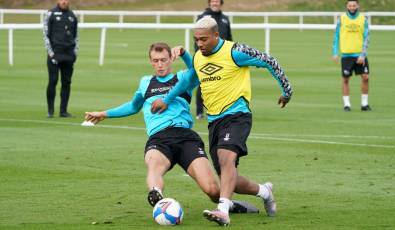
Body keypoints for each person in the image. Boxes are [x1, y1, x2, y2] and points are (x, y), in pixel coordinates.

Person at [84, 43, 258, 214]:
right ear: (150, 61)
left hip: (185, 137)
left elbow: (196, 70)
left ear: (170, 60)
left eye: (163, 60)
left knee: (212, 190)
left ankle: (230, 205)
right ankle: (156, 194)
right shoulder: (145, 83)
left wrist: (184, 53)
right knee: (154, 165)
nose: (160, 65)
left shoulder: (183, 79)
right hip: (159, 138)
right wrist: (104, 114)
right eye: (155, 60)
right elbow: (133, 106)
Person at [151, 17, 293, 226]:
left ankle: (223, 210)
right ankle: (265, 191)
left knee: (226, 158)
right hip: (214, 121)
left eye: (204, 39)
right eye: (196, 39)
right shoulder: (199, 57)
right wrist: (167, 99)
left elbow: (269, 60)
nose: (199, 44)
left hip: (237, 115)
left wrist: (287, 91)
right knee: (229, 177)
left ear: (216, 35)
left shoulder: (235, 51)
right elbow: (189, 82)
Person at [195, 0, 233, 120]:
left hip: (223, 57)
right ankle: (199, 111)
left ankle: (219, 108)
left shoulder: (225, 19)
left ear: (221, 3)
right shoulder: (203, 18)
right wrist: (200, 53)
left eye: (217, 1)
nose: (215, 3)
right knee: (203, 82)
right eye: (213, 1)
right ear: (209, 3)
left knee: (221, 82)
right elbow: (197, 38)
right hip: (206, 55)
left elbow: (229, 38)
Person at [332, 0, 371, 112]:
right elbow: (336, 36)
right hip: (346, 55)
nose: (352, 7)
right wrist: (335, 53)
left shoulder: (363, 19)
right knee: (345, 80)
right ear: (347, 6)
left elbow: (367, 37)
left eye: (354, 5)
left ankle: (364, 104)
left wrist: (362, 55)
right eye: (350, 5)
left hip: (360, 55)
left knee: (365, 77)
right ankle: (347, 105)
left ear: (357, 6)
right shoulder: (342, 19)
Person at [43, 0, 79, 118]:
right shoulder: (50, 14)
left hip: (68, 55)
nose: (64, 1)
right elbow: (45, 34)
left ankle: (63, 111)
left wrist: (75, 54)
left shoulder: (72, 16)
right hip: (55, 55)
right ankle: (50, 111)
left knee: (66, 83)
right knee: (53, 81)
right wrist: (51, 53)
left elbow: (76, 36)